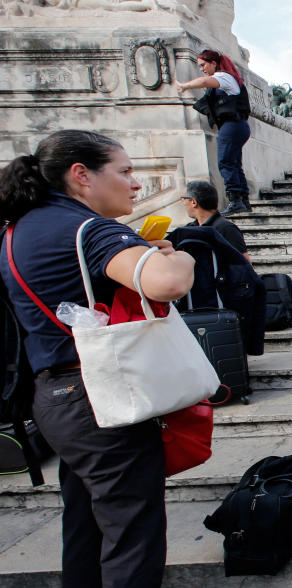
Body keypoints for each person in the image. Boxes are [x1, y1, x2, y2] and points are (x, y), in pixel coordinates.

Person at [0, 130, 197, 587]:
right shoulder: (87, 228)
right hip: (100, 397)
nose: (134, 183)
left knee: (86, 527)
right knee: (133, 537)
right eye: (125, 171)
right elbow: (169, 282)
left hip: (54, 398)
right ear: (81, 175)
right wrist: (180, 255)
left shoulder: (17, 230)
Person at [175, 49, 252, 216]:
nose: (202, 69)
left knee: (225, 162)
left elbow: (203, 82)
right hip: (236, 125)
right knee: (233, 163)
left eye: (203, 65)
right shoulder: (226, 78)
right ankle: (242, 201)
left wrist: (185, 86)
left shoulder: (223, 77)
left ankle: (236, 200)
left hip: (233, 125)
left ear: (213, 63)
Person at [180, 179, 250, 261]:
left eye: (183, 199)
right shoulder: (190, 228)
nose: (183, 203)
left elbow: (244, 264)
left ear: (193, 202)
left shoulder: (226, 228)